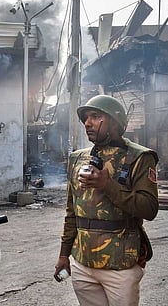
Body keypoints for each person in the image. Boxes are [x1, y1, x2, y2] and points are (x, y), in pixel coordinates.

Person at [54, 94, 159, 306]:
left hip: (120, 264)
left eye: (95, 116)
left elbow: (149, 209)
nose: (87, 123)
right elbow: (72, 212)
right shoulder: (77, 158)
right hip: (83, 263)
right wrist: (64, 255)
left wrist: (107, 186)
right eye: (85, 118)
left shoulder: (139, 157)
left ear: (115, 121)